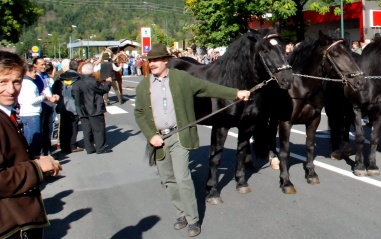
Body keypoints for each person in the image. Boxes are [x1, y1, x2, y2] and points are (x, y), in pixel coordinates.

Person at [133, 44, 251, 237]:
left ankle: (192, 219)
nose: (152, 64)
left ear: (166, 61)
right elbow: (139, 113)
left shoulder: (181, 78)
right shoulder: (144, 86)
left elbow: (208, 88)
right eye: (150, 61)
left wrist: (236, 93)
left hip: (179, 135)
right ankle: (180, 214)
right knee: (169, 180)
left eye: (155, 60)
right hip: (158, 139)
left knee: (182, 178)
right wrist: (150, 135)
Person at [0, 50, 62, 239]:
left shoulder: (6, 113)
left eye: (16, 81)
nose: (11, 89)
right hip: (10, 224)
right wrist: (35, 167)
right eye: (3, 82)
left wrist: (35, 160)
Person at [18, 64, 57, 157]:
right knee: (36, 138)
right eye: (34, 72)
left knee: (28, 138)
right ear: (27, 72)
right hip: (32, 113)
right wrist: (43, 97)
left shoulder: (22, 83)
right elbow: (33, 100)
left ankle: (30, 156)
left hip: (24, 113)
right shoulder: (30, 84)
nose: (36, 74)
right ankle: (36, 157)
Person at [73, 63, 112, 154]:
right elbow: (103, 90)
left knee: (87, 130)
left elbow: (74, 95)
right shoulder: (93, 81)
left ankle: (89, 148)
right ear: (92, 71)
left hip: (82, 109)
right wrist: (108, 82)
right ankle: (100, 148)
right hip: (94, 108)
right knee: (98, 129)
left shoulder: (77, 83)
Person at [52, 59, 84, 154]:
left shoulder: (60, 77)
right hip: (74, 104)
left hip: (63, 104)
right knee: (74, 125)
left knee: (64, 125)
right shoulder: (78, 77)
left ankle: (63, 145)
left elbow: (54, 89)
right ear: (77, 67)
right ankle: (72, 145)